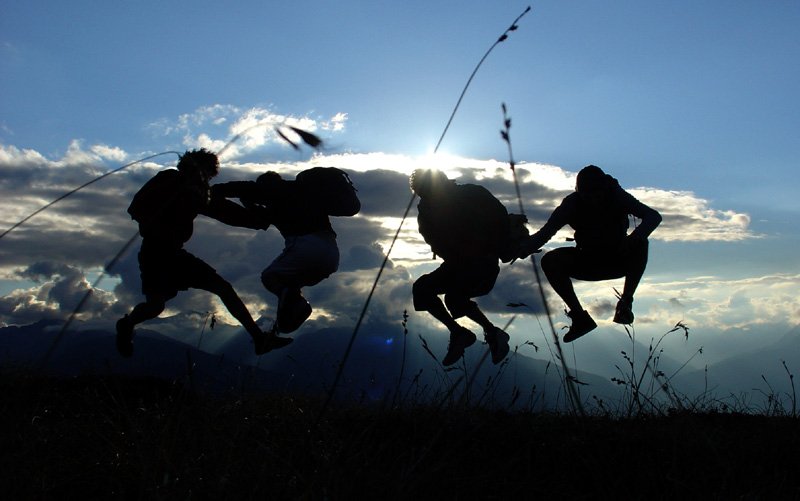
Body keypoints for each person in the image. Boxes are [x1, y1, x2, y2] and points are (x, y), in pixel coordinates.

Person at [115, 149, 292, 358]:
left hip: (170, 253)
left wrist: (259, 220)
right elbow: (136, 208)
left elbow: (226, 212)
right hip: (156, 252)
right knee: (157, 306)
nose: (207, 179)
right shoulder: (171, 180)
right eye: (207, 174)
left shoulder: (196, 192)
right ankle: (127, 324)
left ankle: (260, 338)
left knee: (221, 290)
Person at [518, 165, 662, 342]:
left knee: (641, 243)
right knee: (550, 260)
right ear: (579, 193)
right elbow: (546, 233)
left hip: (618, 258)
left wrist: (636, 235)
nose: (593, 201)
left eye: (597, 197)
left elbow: (653, 216)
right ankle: (580, 319)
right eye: (588, 197)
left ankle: (625, 304)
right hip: (588, 260)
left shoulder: (617, 196)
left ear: (605, 191)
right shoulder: (570, 204)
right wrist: (523, 248)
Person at [211, 168, 351, 336]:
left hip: (307, 244)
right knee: (291, 284)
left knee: (270, 277)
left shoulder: (275, 189)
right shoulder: (302, 193)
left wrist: (213, 190)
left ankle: (296, 311)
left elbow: (245, 189)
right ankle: (286, 321)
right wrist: (249, 204)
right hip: (332, 254)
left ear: (266, 183)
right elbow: (261, 218)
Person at [410, 169, 511, 366]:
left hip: (484, 262)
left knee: (454, 298)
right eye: (423, 194)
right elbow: (434, 242)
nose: (427, 197)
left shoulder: (472, 194)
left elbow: (500, 219)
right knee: (422, 288)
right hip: (458, 264)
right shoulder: (427, 213)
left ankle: (491, 333)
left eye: (428, 191)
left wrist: (496, 248)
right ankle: (460, 333)